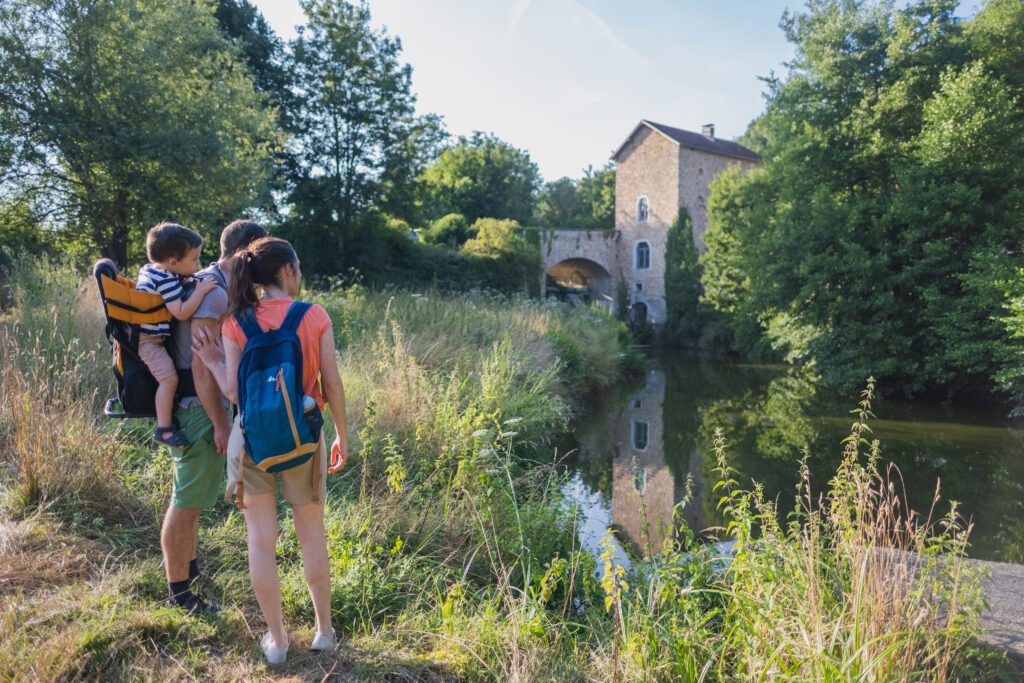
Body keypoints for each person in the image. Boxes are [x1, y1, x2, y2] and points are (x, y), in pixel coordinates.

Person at [192, 236, 348, 665]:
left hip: (253, 440)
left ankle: (277, 643)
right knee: (311, 533)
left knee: (261, 541)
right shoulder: (314, 315)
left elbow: (232, 390)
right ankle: (323, 632)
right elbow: (331, 384)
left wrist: (211, 361)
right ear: (288, 271)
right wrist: (341, 436)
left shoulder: (236, 323)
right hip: (304, 436)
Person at [160, 219, 268, 616]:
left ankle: (189, 572)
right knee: (186, 501)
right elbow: (201, 366)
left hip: (196, 408)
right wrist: (221, 422)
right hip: (197, 410)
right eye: (258, 255)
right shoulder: (214, 294)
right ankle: (180, 595)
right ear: (244, 253)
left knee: (194, 498)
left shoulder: (212, 284)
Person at [135, 222, 218, 446]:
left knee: (169, 378)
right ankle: (164, 429)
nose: (198, 264)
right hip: (148, 342)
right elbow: (181, 312)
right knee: (168, 379)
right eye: (194, 259)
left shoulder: (153, 270)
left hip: (152, 338)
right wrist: (200, 292)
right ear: (173, 262)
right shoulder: (165, 279)